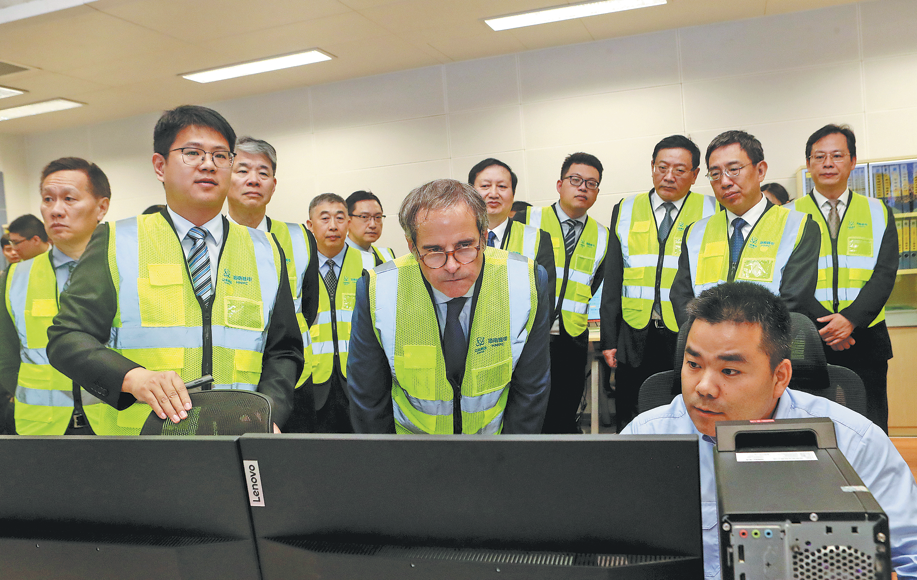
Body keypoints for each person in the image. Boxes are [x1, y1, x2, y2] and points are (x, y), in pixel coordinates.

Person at [622, 282, 917, 580]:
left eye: (729, 371)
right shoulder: (646, 438)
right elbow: (610, 549)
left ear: (780, 377)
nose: (704, 387)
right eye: (693, 364)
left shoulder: (855, 443)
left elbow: (913, 558)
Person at [47, 105, 303, 435]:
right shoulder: (117, 240)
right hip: (142, 443)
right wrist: (134, 378)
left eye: (221, 156)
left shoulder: (265, 249)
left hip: (237, 436)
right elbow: (67, 338)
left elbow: (283, 350)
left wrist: (271, 412)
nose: (208, 164)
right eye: (192, 152)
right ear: (160, 166)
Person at [347, 179, 551, 434]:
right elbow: (368, 401)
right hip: (411, 454)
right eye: (434, 250)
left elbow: (530, 392)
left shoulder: (526, 282)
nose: (452, 266)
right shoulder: (379, 290)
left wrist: (510, 463)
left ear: (484, 238)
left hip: (495, 452)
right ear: (412, 247)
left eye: (465, 246)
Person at [600, 136, 718, 431]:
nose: (669, 176)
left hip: (686, 329)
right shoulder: (625, 208)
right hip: (634, 328)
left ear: (694, 175)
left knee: (687, 406)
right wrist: (609, 339)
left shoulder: (711, 209)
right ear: (652, 167)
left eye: (680, 170)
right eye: (662, 167)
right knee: (631, 407)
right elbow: (614, 277)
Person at [787, 124, 898, 433]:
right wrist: (826, 324)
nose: (828, 163)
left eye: (837, 155)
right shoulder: (787, 215)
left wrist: (849, 320)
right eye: (819, 156)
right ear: (808, 164)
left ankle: (872, 480)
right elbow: (788, 280)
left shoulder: (879, 212)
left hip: (866, 334)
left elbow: (885, 273)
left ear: (853, 160)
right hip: (807, 335)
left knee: (870, 422)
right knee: (808, 423)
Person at [0, 158, 111, 435]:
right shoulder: (15, 277)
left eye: (69, 199)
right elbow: (7, 356)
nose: (56, 210)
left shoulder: (127, 267)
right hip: (42, 427)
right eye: (48, 199)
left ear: (102, 207)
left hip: (115, 422)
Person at [670, 130, 820, 325]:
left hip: (765, 350)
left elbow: (793, 302)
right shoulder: (695, 232)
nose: (724, 182)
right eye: (715, 174)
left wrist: (741, 344)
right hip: (707, 350)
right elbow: (681, 298)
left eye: (734, 170)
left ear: (760, 171)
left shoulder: (798, 227)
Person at [227, 136, 320, 432]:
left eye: (263, 173)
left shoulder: (298, 237)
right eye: (242, 171)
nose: (253, 180)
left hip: (292, 379)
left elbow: (308, 307)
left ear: (274, 184)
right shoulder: (208, 238)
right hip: (229, 381)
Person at [519, 152, 608, 433]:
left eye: (591, 183)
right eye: (576, 180)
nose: (583, 187)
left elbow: (594, 283)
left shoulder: (603, 235)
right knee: (526, 410)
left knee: (564, 411)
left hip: (571, 337)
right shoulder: (526, 219)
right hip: (527, 335)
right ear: (560, 184)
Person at [307, 193, 362, 432]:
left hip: (358, 379)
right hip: (312, 380)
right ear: (310, 225)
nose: (333, 226)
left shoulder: (369, 263)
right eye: (325, 218)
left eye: (340, 218)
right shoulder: (297, 266)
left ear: (349, 223)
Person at [468, 157, 555, 299]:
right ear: (470, 193)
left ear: (513, 194)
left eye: (502, 186)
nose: (494, 194)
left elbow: (546, 298)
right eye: (485, 186)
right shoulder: (456, 238)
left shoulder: (537, 239)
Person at [345, 190, 397, 269]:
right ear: (347, 219)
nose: (373, 225)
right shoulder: (335, 256)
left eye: (378, 217)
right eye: (364, 217)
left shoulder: (387, 255)